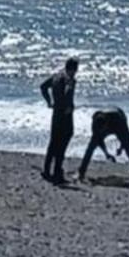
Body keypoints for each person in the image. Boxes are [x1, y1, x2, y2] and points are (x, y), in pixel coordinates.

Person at [77, 106, 129, 184]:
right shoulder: (95, 122)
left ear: (106, 125)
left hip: (119, 120)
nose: (101, 132)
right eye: (100, 130)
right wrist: (106, 153)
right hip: (106, 120)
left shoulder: (118, 121)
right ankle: (81, 173)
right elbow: (99, 140)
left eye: (103, 129)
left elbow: (125, 137)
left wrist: (121, 148)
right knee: (90, 149)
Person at [39, 56, 78, 184]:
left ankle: (47, 170)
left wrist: (49, 102)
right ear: (72, 69)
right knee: (63, 142)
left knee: (54, 142)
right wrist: (68, 106)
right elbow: (67, 91)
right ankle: (57, 172)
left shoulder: (56, 76)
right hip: (65, 115)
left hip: (56, 113)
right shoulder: (68, 79)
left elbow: (43, 87)